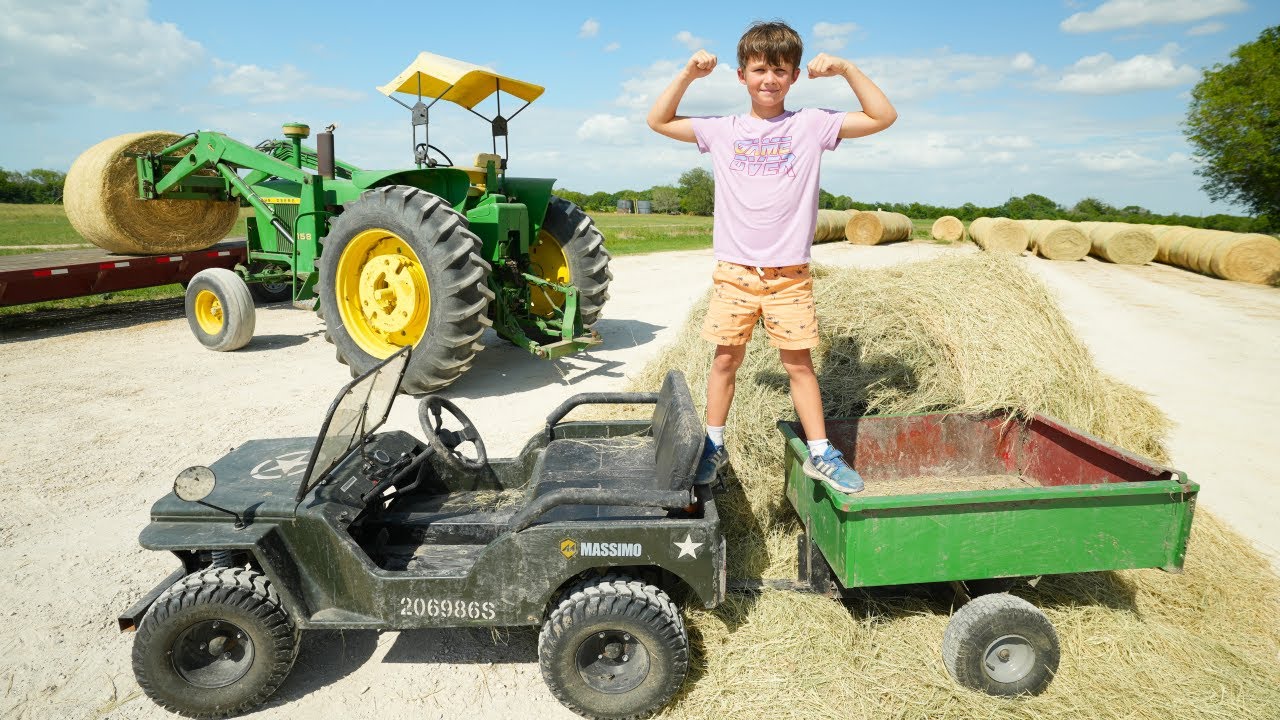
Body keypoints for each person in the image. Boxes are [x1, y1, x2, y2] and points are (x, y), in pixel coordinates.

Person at [646, 20, 896, 493]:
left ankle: (820, 452)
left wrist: (846, 68)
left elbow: (883, 116)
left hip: (789, 276)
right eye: (760, 69)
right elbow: (658, 120)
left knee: (799, 364)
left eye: (780, 71)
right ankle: (714, 445)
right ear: (742, 75)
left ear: (795, 76)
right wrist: (688, 75)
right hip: (735, 273)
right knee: (725, 360)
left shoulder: (811, 124)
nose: (769, 79)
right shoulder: (723, 130)